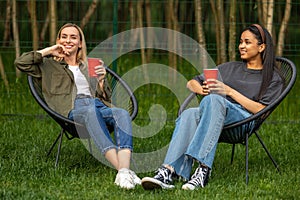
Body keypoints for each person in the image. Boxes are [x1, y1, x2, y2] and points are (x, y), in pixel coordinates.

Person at [141, 24, 284, 190]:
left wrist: (229, 91)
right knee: (190, 114)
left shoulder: (273, 78)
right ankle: (169, 171)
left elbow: (261, 111)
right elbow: (191, 82)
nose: (241, 46)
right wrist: (202, 89)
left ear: (261, 47)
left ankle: (203, 170)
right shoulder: (230, 68)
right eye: (240, 42)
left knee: (214, 99)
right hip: (214, 117)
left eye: (247, 42)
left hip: (243, 122)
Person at [15, 23, 141, 189]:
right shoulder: (47, 66)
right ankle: (124, 171)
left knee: (122, 114)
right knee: (90, 111)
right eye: (64, 37)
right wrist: (50, 50)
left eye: (73, 37)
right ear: (58, 40)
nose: (68, 40)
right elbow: (21, 63)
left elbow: (104, 98)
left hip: (97, 105)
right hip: (73, 110)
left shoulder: (89, 64)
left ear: (80, 43)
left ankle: (123, 172)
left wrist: (102, 81)